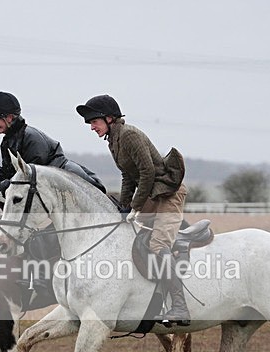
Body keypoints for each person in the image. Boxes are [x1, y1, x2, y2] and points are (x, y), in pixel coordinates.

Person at [76, 94, 189, 325]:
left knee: (158, 244)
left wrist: (135, 207)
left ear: (109, 118)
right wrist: (124, 207)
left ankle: (179, 306)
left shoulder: (129, 136)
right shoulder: (113, 141)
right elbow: (128, 175)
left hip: (168, 194)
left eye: (94, 121)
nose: (91, 126)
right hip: (151, 193)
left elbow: (147, 173)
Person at [0, 91, 104, 196]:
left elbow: (31, 175)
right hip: (50, 185)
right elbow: (6, 171)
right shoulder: (7, 142)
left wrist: (0, 186)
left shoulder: (31, 138)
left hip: (69, 179)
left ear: (9, 117)